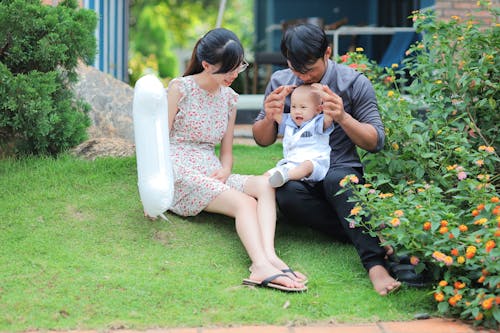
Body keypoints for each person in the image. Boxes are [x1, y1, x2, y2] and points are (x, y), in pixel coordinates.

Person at [252, 23, 402, 295]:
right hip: (301, 171)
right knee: (285, 192)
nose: (302, 76)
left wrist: (343, 117)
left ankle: (375, 265)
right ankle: (374, 236)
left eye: (309, 69)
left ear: (328, 53)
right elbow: (262, 139)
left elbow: (375, 141)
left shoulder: (353, 82)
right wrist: (269, 115)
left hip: (340, 168)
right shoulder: (281, 82)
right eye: (296, 69)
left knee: (339, 181)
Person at [166, 28, 307, 292]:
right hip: (178, 170)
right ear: (206, 65)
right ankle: (259, 266)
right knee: (244, 203)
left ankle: (269, 255)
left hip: (210, 170)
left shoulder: (230, 98)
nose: (234, 75)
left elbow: (226, 151)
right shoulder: (180, 88)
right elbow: (159, 141)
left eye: (238, 67)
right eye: (228, 69)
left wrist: (225, 170)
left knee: (265, 186)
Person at [265, 84, 334, 188]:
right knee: (267, 175)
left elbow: (329, 115)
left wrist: (325, 95)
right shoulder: (289, 122)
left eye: (303, 107)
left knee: (306, 166)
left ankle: (286, 177)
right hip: (291, 164)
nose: (297, 111)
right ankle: (254, 185)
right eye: (293, 106)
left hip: (315, 164)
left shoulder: (317, 122)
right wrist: (282, 94)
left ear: (318, 109)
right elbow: (276, 112)